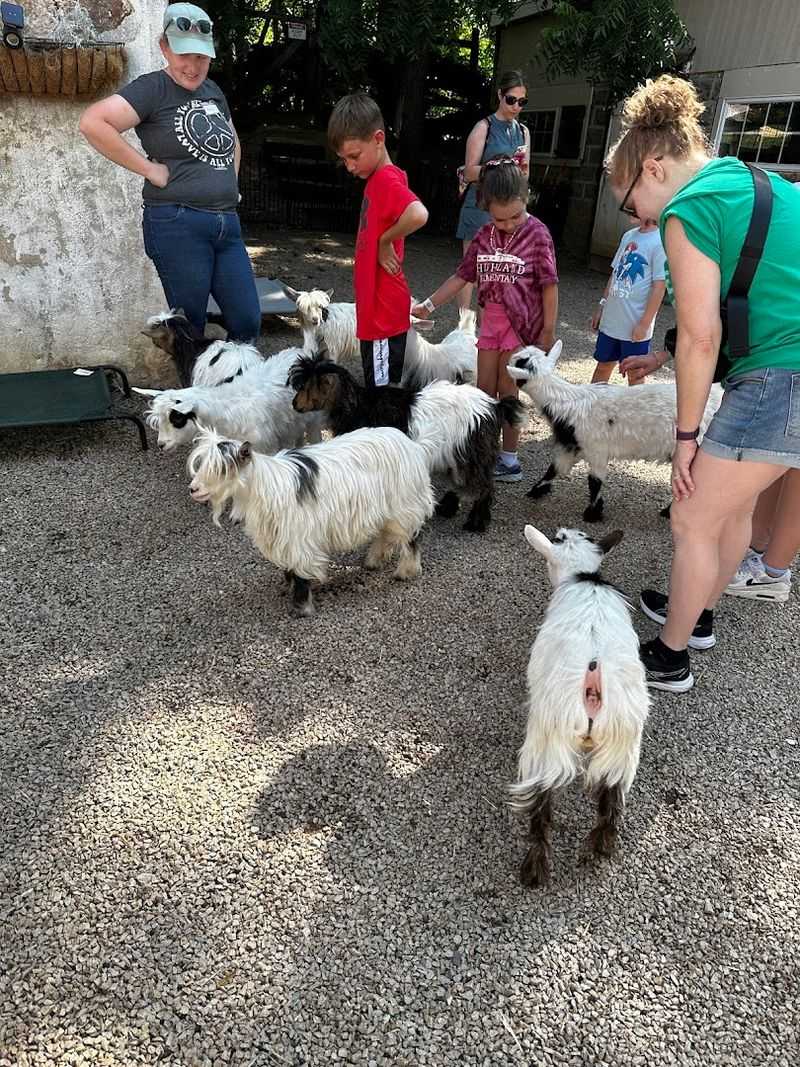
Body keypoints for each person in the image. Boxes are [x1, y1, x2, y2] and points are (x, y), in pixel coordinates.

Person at [604, 75, 800, 693]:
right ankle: (699, 613)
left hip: (778, 378)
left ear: (654, 168)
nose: (634, 216)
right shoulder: (756, 181)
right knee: (731, 506)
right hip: (781, 369)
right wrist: (666, 360)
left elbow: (701, 336)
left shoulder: (688, 209)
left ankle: (670, 656)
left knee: (690, 515)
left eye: (629, 203)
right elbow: (748, 296)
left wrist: (685, 436)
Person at [79, 3, 260, 344]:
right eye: (184, 55)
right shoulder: (152, 89)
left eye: (201, 58)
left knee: (247, 320)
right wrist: (149, 169)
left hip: (226, 224)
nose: (193, 67)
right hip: (179, 223)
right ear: (164, 47)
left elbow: (233, 140)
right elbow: (93, 123)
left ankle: (234, 395)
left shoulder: (213, 91)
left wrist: (230, 184)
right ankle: (195, 396)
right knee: (190, 327)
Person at [413, 158, 558, 482]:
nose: (508, 224)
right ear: (486, 209)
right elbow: (462, 276)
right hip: (490, 323)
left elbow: (549, 285)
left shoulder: (538, 234)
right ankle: (484, 452)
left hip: (520, 328)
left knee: (509, 390)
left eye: (515, 216)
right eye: (499, 218)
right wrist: (428, 305)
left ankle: (509, 459)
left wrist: (547, 332)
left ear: (527, 199)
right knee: (483, 390)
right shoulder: (483, 236)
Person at [328, 93, 429, 389]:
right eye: (344, 159)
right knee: (380, 393)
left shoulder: (386, 179)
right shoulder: (379, 178)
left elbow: (418, 213)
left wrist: (385, 241)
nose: (349, 166)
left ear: (378, 139)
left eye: (354, 156)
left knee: (382, 398)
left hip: (384, 316)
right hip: (376, 315)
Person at [455, 71, 530, 311]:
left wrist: (520, 170)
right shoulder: (483, 127)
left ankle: (492, 328)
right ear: (499, 95)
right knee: (471, 269)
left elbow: (525, 173)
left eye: (522, 102)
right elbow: (468, 172)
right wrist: (500, 167)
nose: (516, 106)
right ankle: (464, 327)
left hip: (509, 209)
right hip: (480, 205)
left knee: (500, 271)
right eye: (511, 99)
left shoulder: (523, 132)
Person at [590, 216, 666, 383]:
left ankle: (637, 410)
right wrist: (602, 306)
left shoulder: (661, 242)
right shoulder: (628, 235)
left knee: (634, 373)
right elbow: (615, 274)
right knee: (603, 365)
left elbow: (659, 287)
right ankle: (594, 408)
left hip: (635, 325)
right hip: (611, 321)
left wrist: (644, 324)